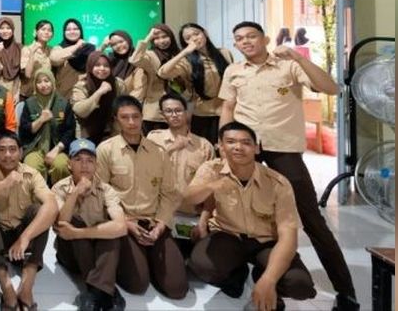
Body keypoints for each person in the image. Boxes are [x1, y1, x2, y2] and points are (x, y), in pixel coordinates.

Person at [219, 21, 357, 311]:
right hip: (246, 150)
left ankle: (346, 292)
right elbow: (228, 108)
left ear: (265, 39)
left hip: (284, 151)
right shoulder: (233, 71)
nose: (245, 42)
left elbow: (331, 88)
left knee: (312, 220)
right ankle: (265, 279)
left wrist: (298, 57)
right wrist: (224, 146)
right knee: (245, 216)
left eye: (251, 36)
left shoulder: (288, 65)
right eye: (239, 39)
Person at [183, 121, 317, 311]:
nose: (238, 147)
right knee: (202, 264)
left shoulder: (277, 182)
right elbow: (188, 197)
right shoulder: (211, 169)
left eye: (246, 142)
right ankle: (237, 276)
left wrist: (269, 280)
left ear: (256, 148)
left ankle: (264, 281)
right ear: (220, 146)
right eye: (230, 142)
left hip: (266, 242)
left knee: (299, 285)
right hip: (228, 236)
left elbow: (288, 237)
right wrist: (211, 186)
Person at [95, 97, 188, 300]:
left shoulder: (158, 152)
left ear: (142, 117)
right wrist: (126, 223)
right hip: (124, 222)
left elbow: (169, 194)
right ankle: (138, 259)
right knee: (137, 285)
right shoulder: (106, 150)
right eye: (125, 117)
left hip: (154, 222)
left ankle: (151, 259)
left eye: (135, 116)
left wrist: (160, 225)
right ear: (116, 120)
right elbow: (100, 193)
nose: (131, 122)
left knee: (178, 289)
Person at [0, 131, 57, 311]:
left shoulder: (32, 174)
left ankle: (27, 286)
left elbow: (52, 206)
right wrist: (3, 184)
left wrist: (24, 238)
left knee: (40, 211)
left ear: (21, 152)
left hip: (22, 238)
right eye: (2, 150)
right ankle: (5, 283)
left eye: (12, 149)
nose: (8, 155)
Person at [51, 138, 128, 311]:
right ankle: (108, 292)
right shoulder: (59, 188)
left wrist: (78, 233)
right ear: (69, 164)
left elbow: (121, 227)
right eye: (78, 160)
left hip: (97, 253)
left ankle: (95, 293)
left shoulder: (106, 189)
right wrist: (75, 193)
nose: (84, 165)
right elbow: (61, 224)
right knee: (75, 221)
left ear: (96, 165)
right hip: (69, 252)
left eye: (90, 161)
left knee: (110, 230)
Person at [145, 94, 214, 253]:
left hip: (192, 217)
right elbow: (145, 171)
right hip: (159, 216)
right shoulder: (153, 139)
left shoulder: (204, 146)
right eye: (169, 111)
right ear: (162, 114)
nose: (174, 115)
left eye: (178, 110)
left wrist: (203, 222)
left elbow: (211, 191)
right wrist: (171, 148)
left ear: (186, 112)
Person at [157, 23, 234, 144]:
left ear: (205, 33)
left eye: (196, 34)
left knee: (226, 148)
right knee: (204, 149)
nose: (194, 39)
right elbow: (163, 73)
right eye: (188, 38)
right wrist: (185, 52)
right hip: (202, 114)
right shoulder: (187, 61)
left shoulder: (224, 53)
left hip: (227, 112)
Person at [19, 68, 75, 184]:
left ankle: (59, 193)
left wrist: (56, 149)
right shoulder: (29, 103)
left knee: (61, 166)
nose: (43, 85)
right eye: (39, 82)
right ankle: (37, 195)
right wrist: (41, 120)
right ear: (35, 84)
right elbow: (24, 130)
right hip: (34, 149)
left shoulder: (63, 103)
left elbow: (70, 132)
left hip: (58, 148)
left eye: (46, 81)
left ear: (52, 82)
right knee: (30, 167)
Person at [128, 24, 180, 133]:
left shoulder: (178, 54)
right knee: (151, 140)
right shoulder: (150, 55)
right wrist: (148, 37)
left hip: (176, 107)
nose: (161, 41)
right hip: (154, 109)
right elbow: (134, 60)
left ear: (171, 36)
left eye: (165, 36)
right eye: (156, 38)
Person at [70, 51, 123, 143]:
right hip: (86, 134)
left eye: (106, 65)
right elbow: (81, 111)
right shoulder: (82, 86)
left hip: (112, 132)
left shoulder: (118, 84)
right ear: (90, 67)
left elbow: (123, 106)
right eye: (97, 65)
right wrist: (99, 92)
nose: (102, 68)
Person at [51, 18, 94, 98]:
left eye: (75, 29)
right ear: (64, 32)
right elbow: (54, 60)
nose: (72, 32)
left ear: (80, 31)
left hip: (84, 95)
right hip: (63, 95)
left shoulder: (89, 48)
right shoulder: (59, 48)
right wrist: (77, 46)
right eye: (68, 29)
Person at [18, 19, 55, 97]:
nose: (46, 32)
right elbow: (27, 74)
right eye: (43, 29)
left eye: (49, 30)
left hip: (45, 94)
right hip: (28, 94)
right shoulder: (27, 49)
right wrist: (32, 53)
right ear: (36, 32)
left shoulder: (51, 50)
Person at [0, 17, 23, 97]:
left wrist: (18, 92)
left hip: (16, 89)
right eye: (2, 28)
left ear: (12, 30)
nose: (5, 31)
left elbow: (22, 73)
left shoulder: (20, 48)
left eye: (8, 28)